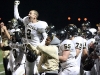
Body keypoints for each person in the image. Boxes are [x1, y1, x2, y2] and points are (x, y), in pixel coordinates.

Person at [14, 0, 48, 75]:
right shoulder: (26, 20)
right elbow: (17, 17)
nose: (28, 14)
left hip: (37, 49)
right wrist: (15, 5)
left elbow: (46, 37)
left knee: (40, 68)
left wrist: (39, 47)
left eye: (30, 13)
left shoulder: (41, 24)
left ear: (35, 16)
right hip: (29, 49)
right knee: (29, 68)